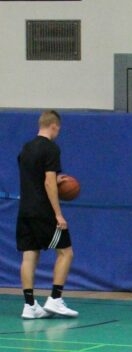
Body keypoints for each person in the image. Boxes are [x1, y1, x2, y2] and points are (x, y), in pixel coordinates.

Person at [16, 109, 77, 319]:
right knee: (66, 252)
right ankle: (55, 299)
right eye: (58, 129)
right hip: (43, 211)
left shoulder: (26, 148)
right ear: (54, 126)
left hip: (25, 210)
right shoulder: (51, 148)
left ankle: (29, 305)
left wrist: (55, 179)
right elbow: (48, 182)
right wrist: (58, 214)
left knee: (29, 255)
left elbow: (33, 177)